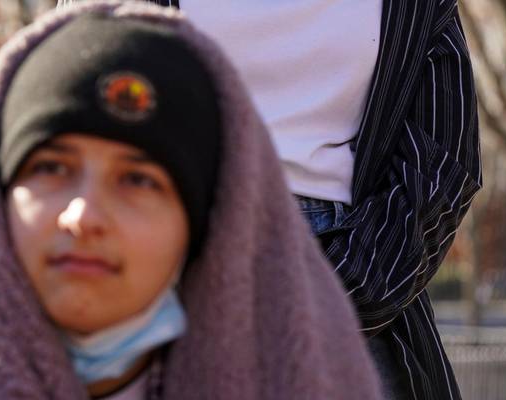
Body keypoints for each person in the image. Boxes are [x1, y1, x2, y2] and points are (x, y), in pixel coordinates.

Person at [0, 2, 381, 398]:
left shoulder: (305, 375)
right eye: (51, 168)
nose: (82, 215)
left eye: (139, 181)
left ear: (207, 220)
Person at [57, 1, 482, 398]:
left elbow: (443, 158)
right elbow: (65, 103)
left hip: (349, 275)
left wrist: (339, 295)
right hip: (158, 278)